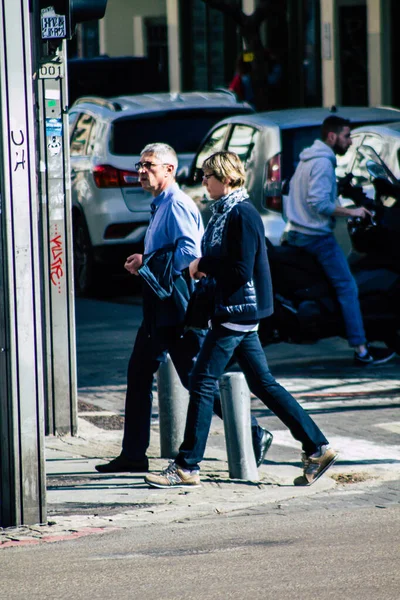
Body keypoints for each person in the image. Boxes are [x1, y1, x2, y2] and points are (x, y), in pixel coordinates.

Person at [145, 151, 337, 489]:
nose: (203, 181)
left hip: (238, 311)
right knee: (263, 383)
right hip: (235, 312)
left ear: (226, 178)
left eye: (208, 175)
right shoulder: (223, 212)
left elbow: (240, 269)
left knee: (202, 382)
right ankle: (317, 447)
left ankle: (187, 465)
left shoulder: (242, 214)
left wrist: (202, 264)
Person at [95, 143, 272, 474]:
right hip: (160, 304)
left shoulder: (177, 204)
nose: (141, 171)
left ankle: (251, 433)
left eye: (149, 165)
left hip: (175, 305)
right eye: (140, 164)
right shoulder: (160, 204)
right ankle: (133, 454)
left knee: (196, 377)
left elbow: (190, 254)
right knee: (142, 373)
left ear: (169, 170)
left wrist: (146, 260)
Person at [284, 115, 395, 366]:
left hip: (297, 232)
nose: (350, 141)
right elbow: (320, 203)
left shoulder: (308, 158)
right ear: (332, 137)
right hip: (316, 238)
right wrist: (352, 211)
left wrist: (343, 189)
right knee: (347, 287)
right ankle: (362, 349)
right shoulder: (323, 163)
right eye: (346, 136)